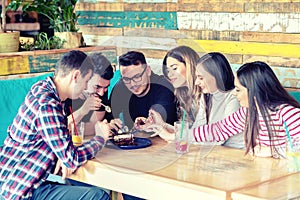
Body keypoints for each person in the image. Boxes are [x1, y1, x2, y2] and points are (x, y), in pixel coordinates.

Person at [0, 50, 110, 199]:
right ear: (76, 76)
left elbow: (55, 138)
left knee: (77, 186)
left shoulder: (41, 88)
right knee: (97, 196)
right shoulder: (47, 105)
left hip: (13, 182)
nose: (85, 88)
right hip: (22, 190)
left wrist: (60, 152)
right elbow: (72, 160)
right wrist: (101, 138)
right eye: (86, 81)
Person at [193, 61, 300, 158]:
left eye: (238, 90)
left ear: (254, 92)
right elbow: (221, 129)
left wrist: (273, 151)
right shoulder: (247, 112)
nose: (234, 93)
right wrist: (184, 135)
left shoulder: (288, 113)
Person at [147, 49, 244, 148]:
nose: (197, 82)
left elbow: (219, 136)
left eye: (201, 78)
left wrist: (173, 136)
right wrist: (163, 126)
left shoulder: (234, 97)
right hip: (216, 154)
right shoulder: (207, 96)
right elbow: (196, 132)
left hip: (235, 154)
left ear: (216, 76)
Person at [109, 50, 177, 131]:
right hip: (134, 141)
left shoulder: (163, 86)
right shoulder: (121, 86)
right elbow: (108, 114)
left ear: (148, 71)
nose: (133, 84)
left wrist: (147, 123)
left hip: (165, 140)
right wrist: (111, 124)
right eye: (127, 79)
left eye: (137, 77)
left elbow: (159, 118)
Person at [64, 52, 114, 137]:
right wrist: (82, 111)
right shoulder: (65, 92)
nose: (101, 93)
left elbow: (92, 127)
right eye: (97, 87)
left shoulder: (101, 92)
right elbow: (61, 129)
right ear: (85, 78)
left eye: (106, 87)